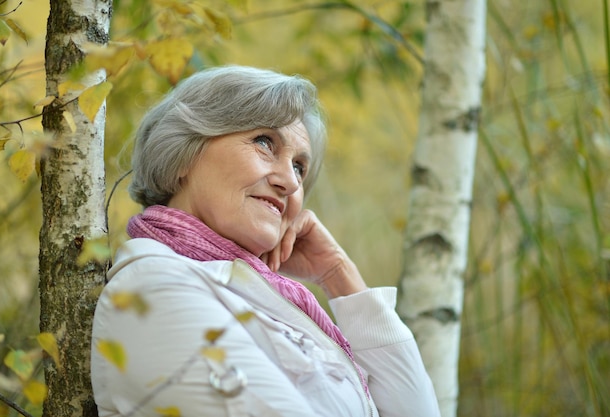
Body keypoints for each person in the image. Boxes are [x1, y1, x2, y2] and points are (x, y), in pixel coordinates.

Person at [90, 65, 440, 417]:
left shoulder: (259, 295)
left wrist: (338, 274)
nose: (290, 181)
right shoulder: (152, 288)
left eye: (300, 167)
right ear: (184, 153)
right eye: (264, 142)